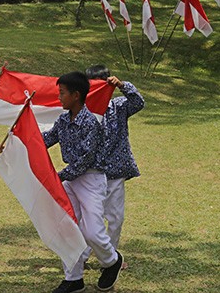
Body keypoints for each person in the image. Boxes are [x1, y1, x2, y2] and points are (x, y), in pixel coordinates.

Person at [43, 72, 123, 293]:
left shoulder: (90, 123)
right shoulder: (63, 120)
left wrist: (59, 176)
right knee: (68, 228)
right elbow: (46, 139)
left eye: (62, 93)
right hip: (71, 181)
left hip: (90, 180)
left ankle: (112, 261)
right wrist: (20, 141)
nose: (59, 97)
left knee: (92, 232)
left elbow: (85, 159)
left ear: (76, 95)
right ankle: (73, 278)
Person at [82, 65, 144, 270]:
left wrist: (123, 85)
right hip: (90, 173)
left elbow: (138, 102)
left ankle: (110, 259)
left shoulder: (118, 106)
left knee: (116, 218)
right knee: (90, 219)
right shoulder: (83, 109)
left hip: (115, 173)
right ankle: (81, 257)